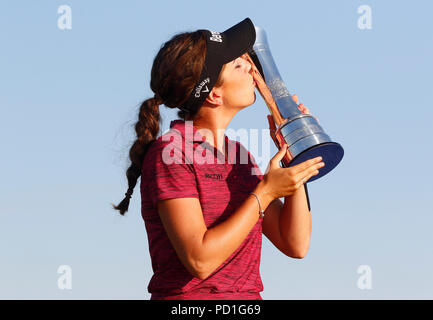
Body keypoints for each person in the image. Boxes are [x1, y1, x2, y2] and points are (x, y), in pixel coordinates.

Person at [112, 17, 325, 300]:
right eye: (238, 64)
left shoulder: (239, 156)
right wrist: (264, 194)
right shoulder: (171, 154)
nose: (251, 66)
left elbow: (295, 243)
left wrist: (293, 149)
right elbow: (199, 260)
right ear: (213, 93)